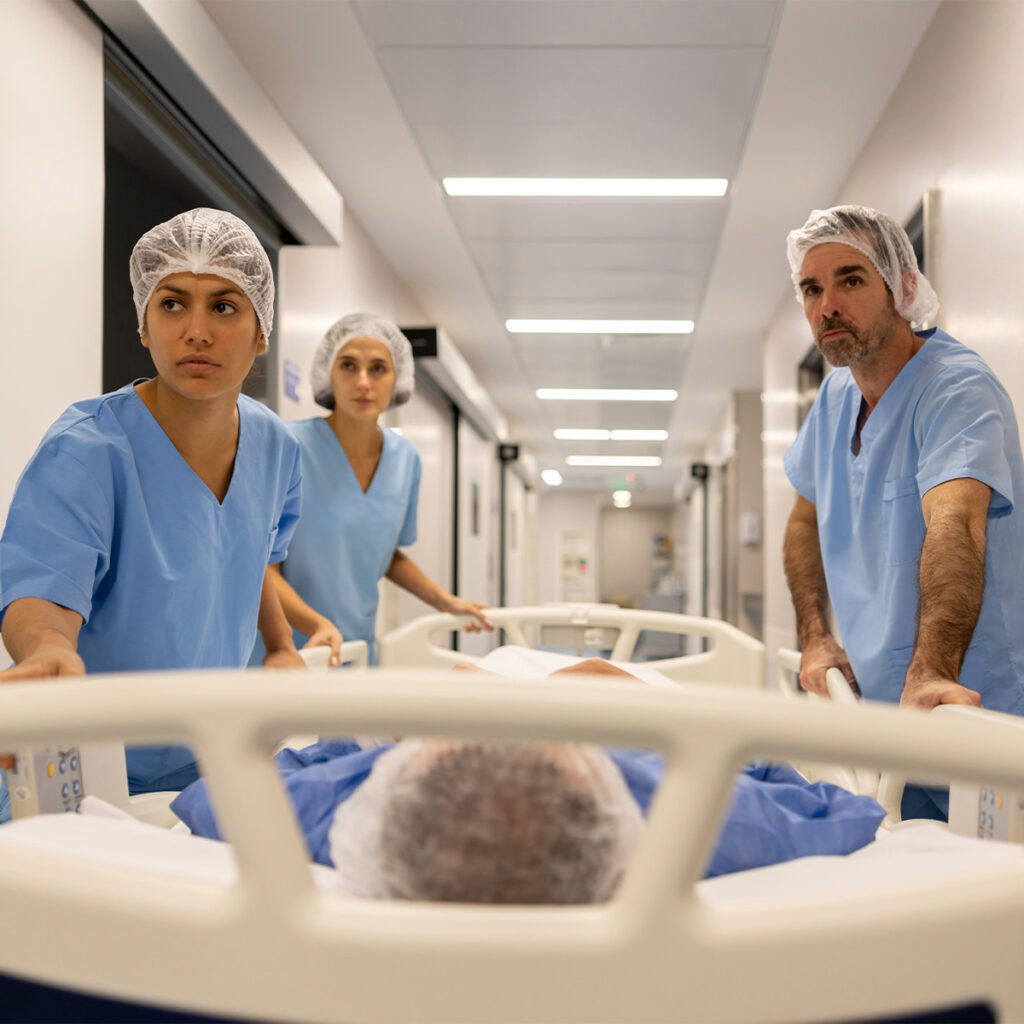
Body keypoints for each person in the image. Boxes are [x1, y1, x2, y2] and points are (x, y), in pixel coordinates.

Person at [0, 208, 305, 793]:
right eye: (171, 304)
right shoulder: (88, 449)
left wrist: (282, 645)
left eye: (223, 305)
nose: (196, 330)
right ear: (143, 325)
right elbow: (43, 588)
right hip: (94, 766)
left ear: (262, 331)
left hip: (209, 757)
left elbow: (253, 554)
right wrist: (47, 650)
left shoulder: (277, 448)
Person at [172, 658, 885, 901]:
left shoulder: (353, 801)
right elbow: (837, 808)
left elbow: (216, 795)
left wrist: (375, 729)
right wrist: (647, 703)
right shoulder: (682, 810)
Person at [782, 206, 1024, 815]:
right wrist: (815, 638)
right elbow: (804, 518)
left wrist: (931, 674)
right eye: (812, 288)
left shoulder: (956, 391)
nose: (827, 305)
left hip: (970, 712)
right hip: (885, 724)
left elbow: (958, 522)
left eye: (851, 280)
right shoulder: (837, 395)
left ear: (903, 288)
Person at [261, 313, 491, 665]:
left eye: (378, 368)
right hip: (289, 648)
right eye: (348, 366)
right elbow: (260, 564)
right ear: (328, 374)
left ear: (398, 378)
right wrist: (317, 624)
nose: (363, 382)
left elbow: (383, 552)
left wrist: (445, 600)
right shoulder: (289, 446)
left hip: (355, 644)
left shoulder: (405, 460)